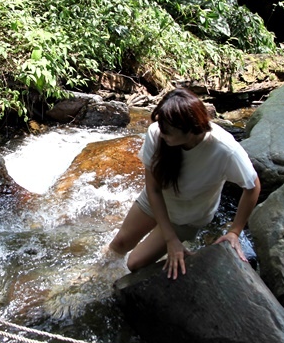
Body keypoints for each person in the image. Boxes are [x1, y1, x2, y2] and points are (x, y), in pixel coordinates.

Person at [107, 88, 261, 280]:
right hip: (155, 200)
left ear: (191, 129)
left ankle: (181, 251)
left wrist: (234, 232)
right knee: (119, 245)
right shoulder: (157, 132)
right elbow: (154, 190)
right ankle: (98, 278)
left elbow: (252, 186)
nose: (161, 133)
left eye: (168, 131)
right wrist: (169, 238)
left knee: (134, 263)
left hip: (187, 216)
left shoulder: (224, 150)